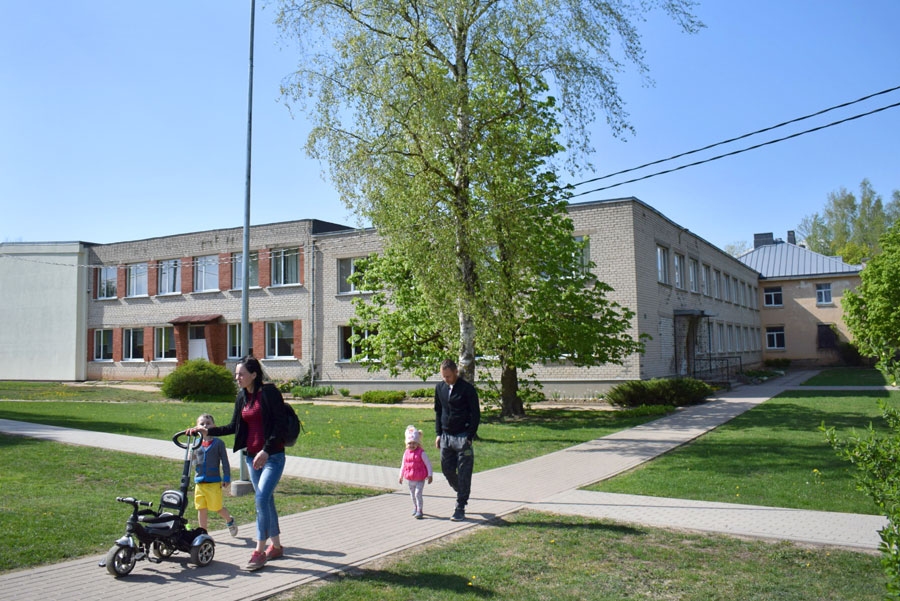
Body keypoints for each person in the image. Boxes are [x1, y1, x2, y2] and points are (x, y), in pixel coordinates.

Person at [188, 356, 288, 571]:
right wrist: (208, 431)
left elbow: (280, 425)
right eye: (236, 374)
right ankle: (277, 546)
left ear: (254, 374)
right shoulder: (242, 396)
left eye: (241, 374)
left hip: (273, 457)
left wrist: (266, 450)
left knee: (261, 498)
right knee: (266, 501)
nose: (237, 377)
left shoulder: (269, 393)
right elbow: (234, 426)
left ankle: (259, 551)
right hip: (252, 458)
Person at [434, 358, 480, 521]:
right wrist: (438, 433)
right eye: (443, 376)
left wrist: (470, 436)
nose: (446, 379)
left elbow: (476, 414)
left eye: (448, 376)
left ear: (455, 372)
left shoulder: (467, 390)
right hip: (446, 436)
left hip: (462, 437)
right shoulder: (440, 388)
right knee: (447, 470)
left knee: (464, 472)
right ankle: (461, 490)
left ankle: (460, 506)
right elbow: (439, 412)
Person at [191, 413, 237, 537]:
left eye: (208, 423)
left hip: (213, 482)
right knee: (201, 508)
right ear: (196, 427)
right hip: (200, 482)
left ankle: (229, 520)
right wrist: (192, 457)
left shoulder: (218, 443)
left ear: (214, 426)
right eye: (202, 424)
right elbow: (193, 461)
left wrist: (227, 477)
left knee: (217, 507)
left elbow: (225, 461)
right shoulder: (196, 443)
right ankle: (203, 533)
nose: (205, 425)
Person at [398, 425, 433, 519]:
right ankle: (415, 507)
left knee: (418, 493)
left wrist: (430, 475)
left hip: (420, 478)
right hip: (410, 478)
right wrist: (400, 475)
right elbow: (403, 465)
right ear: (406, 444)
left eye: (414, 443)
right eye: (410, 443)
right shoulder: (406, 453)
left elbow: (428, 464)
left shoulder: (421, 453)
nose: (412, 445)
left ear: (418, 443)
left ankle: (420, 510)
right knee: (412, 495)